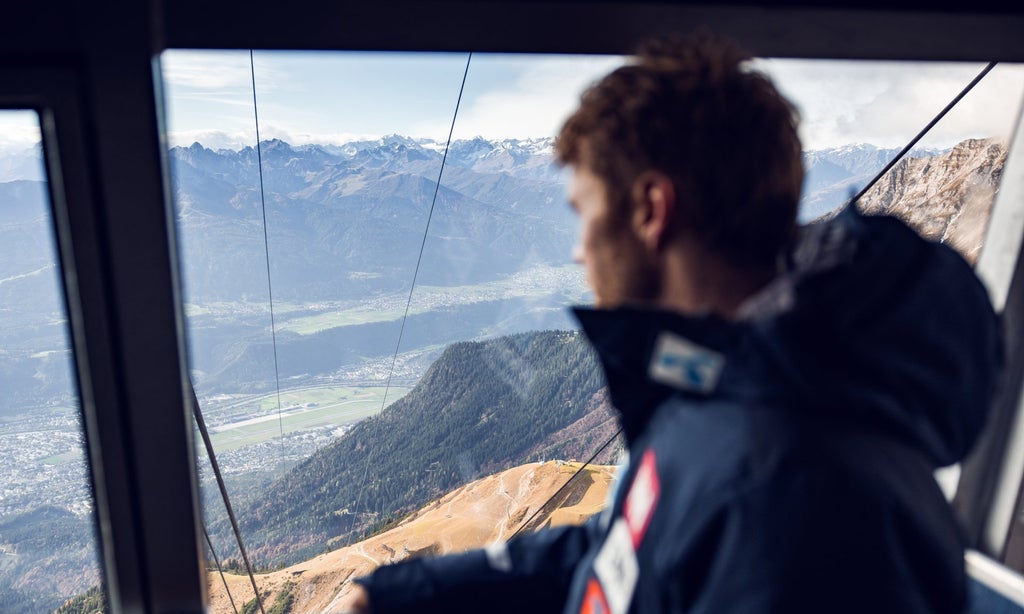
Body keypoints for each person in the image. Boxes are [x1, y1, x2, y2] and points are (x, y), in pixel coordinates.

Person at [349, 31, 1002, 613]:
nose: (579, 249)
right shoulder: (739, 398)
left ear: (650, 209)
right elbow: (625, 549)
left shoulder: (781, 493)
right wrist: (392, 594)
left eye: (584, 211)